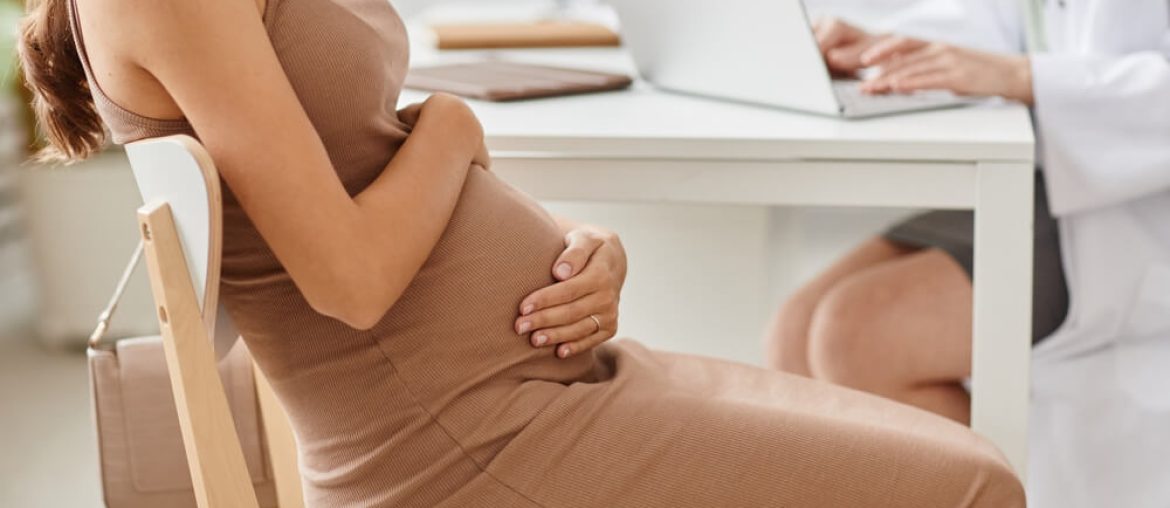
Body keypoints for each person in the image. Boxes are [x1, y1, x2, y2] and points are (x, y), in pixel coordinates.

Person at [18, 0, 1024, 505]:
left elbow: (356, 152)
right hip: (456, 440)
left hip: (531, 386)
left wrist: (576, 248)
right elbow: (351, 280)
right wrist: (453, 125)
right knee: (975, 487)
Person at [767, 1, 1170, 506]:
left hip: (1136, 205)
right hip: (1047, 173)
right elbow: (995, 23)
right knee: (793, 331)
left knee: (858, 337)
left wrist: (1025, 76)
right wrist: (882, 47)